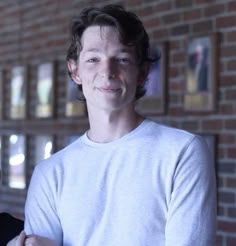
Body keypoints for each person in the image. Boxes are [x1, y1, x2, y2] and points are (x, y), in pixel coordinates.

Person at [8, 4, 216, 246]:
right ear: (75, 71)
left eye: (122, 59)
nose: (107, 72)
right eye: (93, 59)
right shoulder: (50, 174)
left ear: (142, 72)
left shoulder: (183, 152)